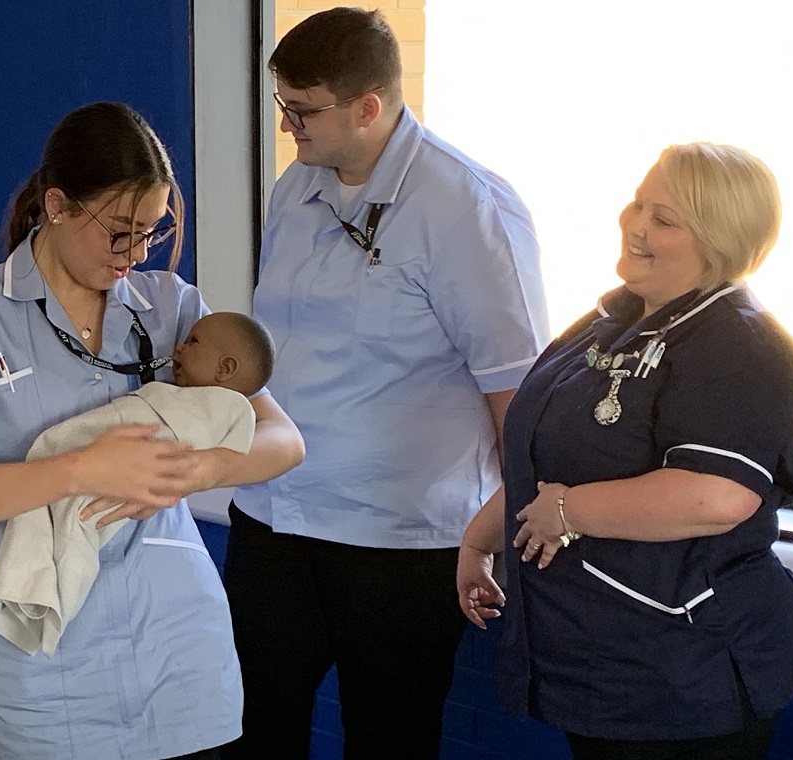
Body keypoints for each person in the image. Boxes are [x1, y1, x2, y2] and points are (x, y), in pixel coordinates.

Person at [0, 101, 306, 760]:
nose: (137, 253)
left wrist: (193, 471)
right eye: (120, 232)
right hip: (48, 660)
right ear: (58, 205)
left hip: (180, 649)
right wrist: (79, 470)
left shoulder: (172, 308)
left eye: (151, 232)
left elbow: (284, 441)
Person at [223, 8, 550, 759]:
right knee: (248, 730)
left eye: (303, 111)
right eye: (282, 106)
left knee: (389, 741)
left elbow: (518, 397)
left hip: (399, 542)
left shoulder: (468, 206)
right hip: (273, 518)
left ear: (368, 107)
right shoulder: (294, 190)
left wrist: (499, 533)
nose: (287, 127)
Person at [458, 143, 793, 760]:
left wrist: (569, 511)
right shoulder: (609, 322)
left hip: (684, 672)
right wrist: (479, 541)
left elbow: (716, 496)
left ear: (717, 241)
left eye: (663, 219)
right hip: (599, 658)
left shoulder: (740, 345)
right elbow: (548, 460)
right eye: (638, 204)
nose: (634, 225)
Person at [0, 312, 275, 656]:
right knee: (47, 489)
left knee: (78, 517)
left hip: (127, 484)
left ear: (225, 369)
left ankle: (43, 602)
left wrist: (179, 473)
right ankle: (30, 593)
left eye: (193, 342)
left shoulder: (233, 410)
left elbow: (269, 447)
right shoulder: (177, 393)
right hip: (90, 455)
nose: (179, 348)